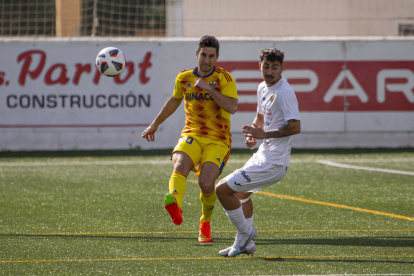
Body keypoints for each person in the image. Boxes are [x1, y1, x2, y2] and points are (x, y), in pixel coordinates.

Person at [141, 35, 238, 243]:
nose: (207, 60)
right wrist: (155, 124)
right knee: (179, 164)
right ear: (197, 54)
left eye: (211, 56)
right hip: (192, 134)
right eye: (203, 55)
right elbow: (175, 100)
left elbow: (232, 107)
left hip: (217, 139)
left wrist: (209, 89)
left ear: (217, 57)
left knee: (205, 183)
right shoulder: (184, 78)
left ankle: (205, 223)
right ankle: (174, 202)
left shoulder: (224, 79)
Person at [215, 48, 301, 257]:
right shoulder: (262, 87)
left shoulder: (285, 93)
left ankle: (245, 234)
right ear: (259, 66)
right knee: (241, 195)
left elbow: (295, 127)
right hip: (264, 156)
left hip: (273, 163)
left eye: (274, 67)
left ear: (282, 68)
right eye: (266, 66)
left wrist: (264, 134)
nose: (270, 71)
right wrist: (253, 135)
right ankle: (245, 243)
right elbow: (260, 118)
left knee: (222, 190)